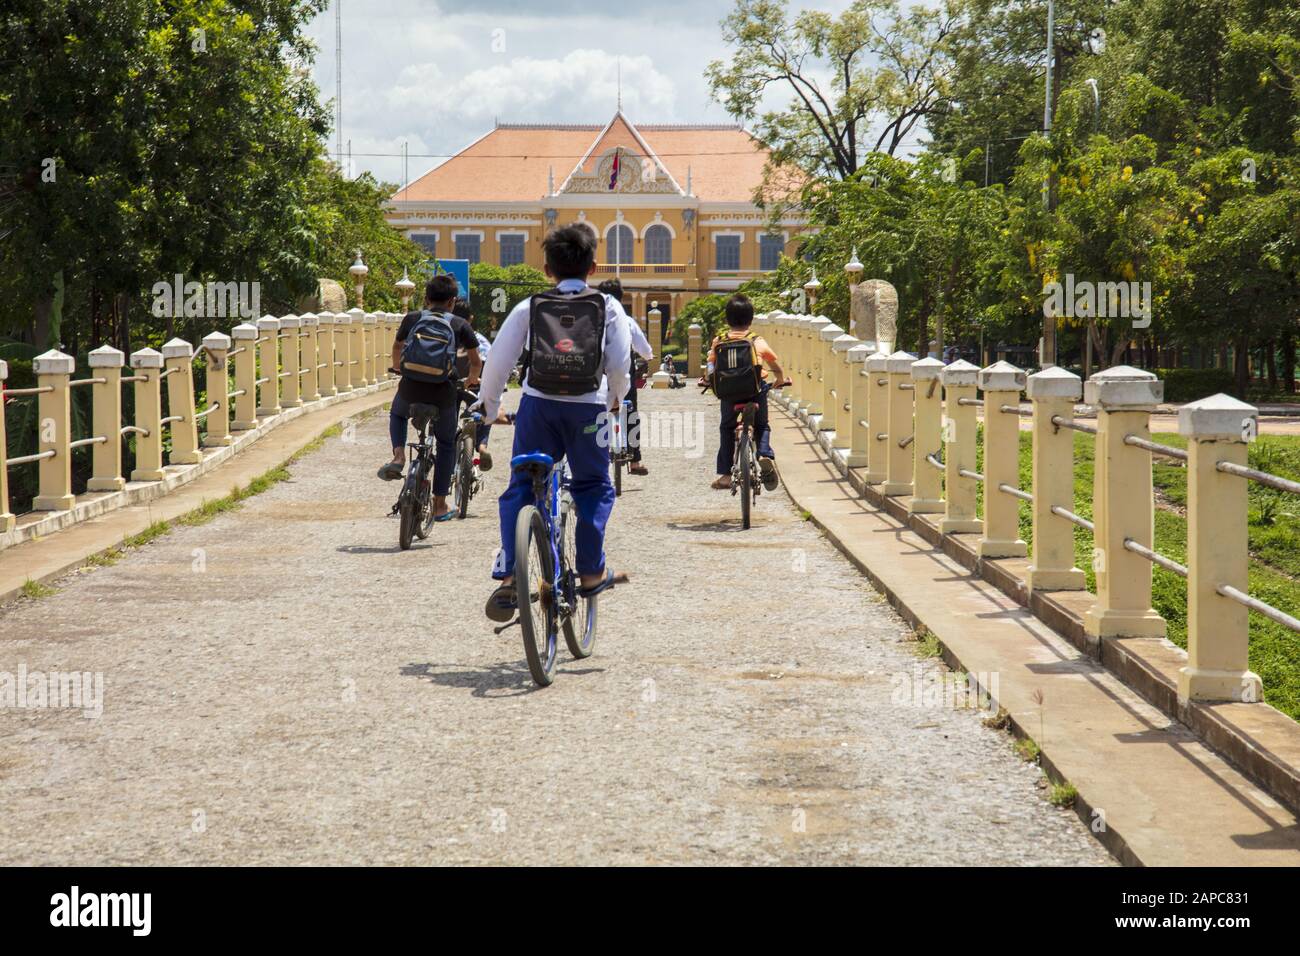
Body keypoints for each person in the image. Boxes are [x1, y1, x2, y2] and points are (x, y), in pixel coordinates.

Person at [477, 225, 632, 620]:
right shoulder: (608, 306)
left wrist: (490, 406)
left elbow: (498, 361)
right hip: (588, 410)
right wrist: (614, 399)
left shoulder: (530, 306)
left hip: (538, 408)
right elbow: (620, 364)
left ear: (547, 269)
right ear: (593, 266)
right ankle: (592, 570)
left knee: (521, 486)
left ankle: (511, 575)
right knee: (594, 486)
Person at [378, 274, 481, 521]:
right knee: (446, 444)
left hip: (411, 387)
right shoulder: (460, 324)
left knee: (398, 413)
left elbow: (397, 347)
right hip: (443, 391)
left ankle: (399, 455)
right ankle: (439, 505)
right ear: (452, 301)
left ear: (426, 298)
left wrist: (398, 368)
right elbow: (476, 362)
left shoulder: (413, 318)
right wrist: (471, 380)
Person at [705, 294, 785, 492]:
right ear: (751, 319)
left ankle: (725, 474)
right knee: (762, 425)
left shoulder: (719, 340)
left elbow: (710, 365)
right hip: (754, 390)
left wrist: (707, 380)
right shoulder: (756, 340)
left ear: (727, 319)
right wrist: (781, 379)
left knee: (726, 427)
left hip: (729, 394)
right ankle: (764, 453)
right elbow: (774, 363)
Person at [596, 278, 652, 476]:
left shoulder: (593, 319)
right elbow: (644, 349)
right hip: (625, 373)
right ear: (620, 298)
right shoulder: (627, 321)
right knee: (631, 413)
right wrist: (648, 356)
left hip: (597, 375)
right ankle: (635, 461)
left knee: (594, 414)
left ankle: (595, 459)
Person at [451, 297, 495, 471]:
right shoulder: (479, 339)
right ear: (470, 318)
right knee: (485, 413)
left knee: (448, 419)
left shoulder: (446, 335)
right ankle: (482, 446)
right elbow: (491, 361)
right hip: (476, 385)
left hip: (450, 385)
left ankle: (448, 441)